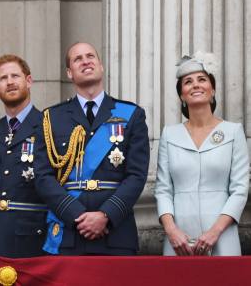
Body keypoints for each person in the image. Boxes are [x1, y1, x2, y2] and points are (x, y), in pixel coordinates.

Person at [33, 42, 149, 255]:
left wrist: (105, 215)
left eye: (90, 56)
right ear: (69, 72)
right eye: (77, 59)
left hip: (116, 233)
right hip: (69, 232)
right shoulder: (51, 118)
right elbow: (43, 177)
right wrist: (76, 214)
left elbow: (137, 175)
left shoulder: (131, 114)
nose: (85, 61)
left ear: (101, 66)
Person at [155, 52, 249, 256]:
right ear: (182, 95)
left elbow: (240, 189)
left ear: (212, 90)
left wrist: (215, 232)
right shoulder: (169, 134)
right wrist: (172, 231)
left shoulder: (233, 131)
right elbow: (163, 189)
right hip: (178, 238)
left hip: (222, 235)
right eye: (188, 82)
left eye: (202, 79)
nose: (195, 85)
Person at [0, 55, 47, 257]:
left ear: (29, 80)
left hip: (33, 238)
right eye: (3, 78)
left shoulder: (48, 127)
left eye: (15, 75)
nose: (9, 82)